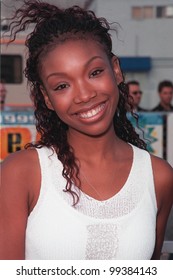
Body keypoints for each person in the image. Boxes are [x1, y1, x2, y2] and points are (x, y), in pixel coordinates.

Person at [0, 0, 173, 260]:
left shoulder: (158, 176)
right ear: (47, 99)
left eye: (94, 72)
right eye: (61, 86)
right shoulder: (20, 173)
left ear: (116, 71)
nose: (84, 94)